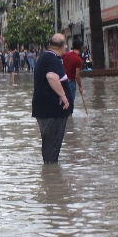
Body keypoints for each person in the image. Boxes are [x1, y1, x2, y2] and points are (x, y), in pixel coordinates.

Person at [32, 34, 72, 163]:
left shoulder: (45, 57)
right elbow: (52, 77)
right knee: (52, 147)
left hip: (45, 109)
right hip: (53, 111)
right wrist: (63, 96)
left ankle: (50, 178)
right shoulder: (52, 59)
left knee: (49, 144)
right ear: (62, 46)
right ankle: (51, 175)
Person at [62, 38, 84, 108]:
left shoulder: (65, 55)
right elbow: (77, 75)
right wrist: (80, 86)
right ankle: (70, 116)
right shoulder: (78, 60)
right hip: (71, 81)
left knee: (63, 100)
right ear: (80, 47)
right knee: (70, 101)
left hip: (62, 80)